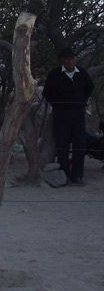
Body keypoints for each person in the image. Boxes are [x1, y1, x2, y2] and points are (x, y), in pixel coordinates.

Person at [42, 46, 95, 186]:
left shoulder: (81, 73)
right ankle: (64, 175)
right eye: (67, 59)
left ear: (75, 59)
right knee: (62, 144)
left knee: (79, 144)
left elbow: (90, 87)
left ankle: (77, 176)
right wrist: (57, 104)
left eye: (72, 58)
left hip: (78, 113)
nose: (70, 61)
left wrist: (81, 100)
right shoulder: (55, 74)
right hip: (61, 114)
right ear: (62, 60)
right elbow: (46, 93)